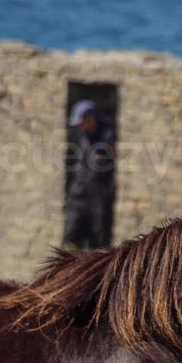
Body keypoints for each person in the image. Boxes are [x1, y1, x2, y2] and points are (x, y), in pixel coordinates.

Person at [63, 100, 117, 250]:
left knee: (98, 244)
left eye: (81, 123)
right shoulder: (78, 135)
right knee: (71, 242)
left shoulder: (108, 134)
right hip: (78, 197)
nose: (79, 127)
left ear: (90, 119)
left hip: (99, 200)